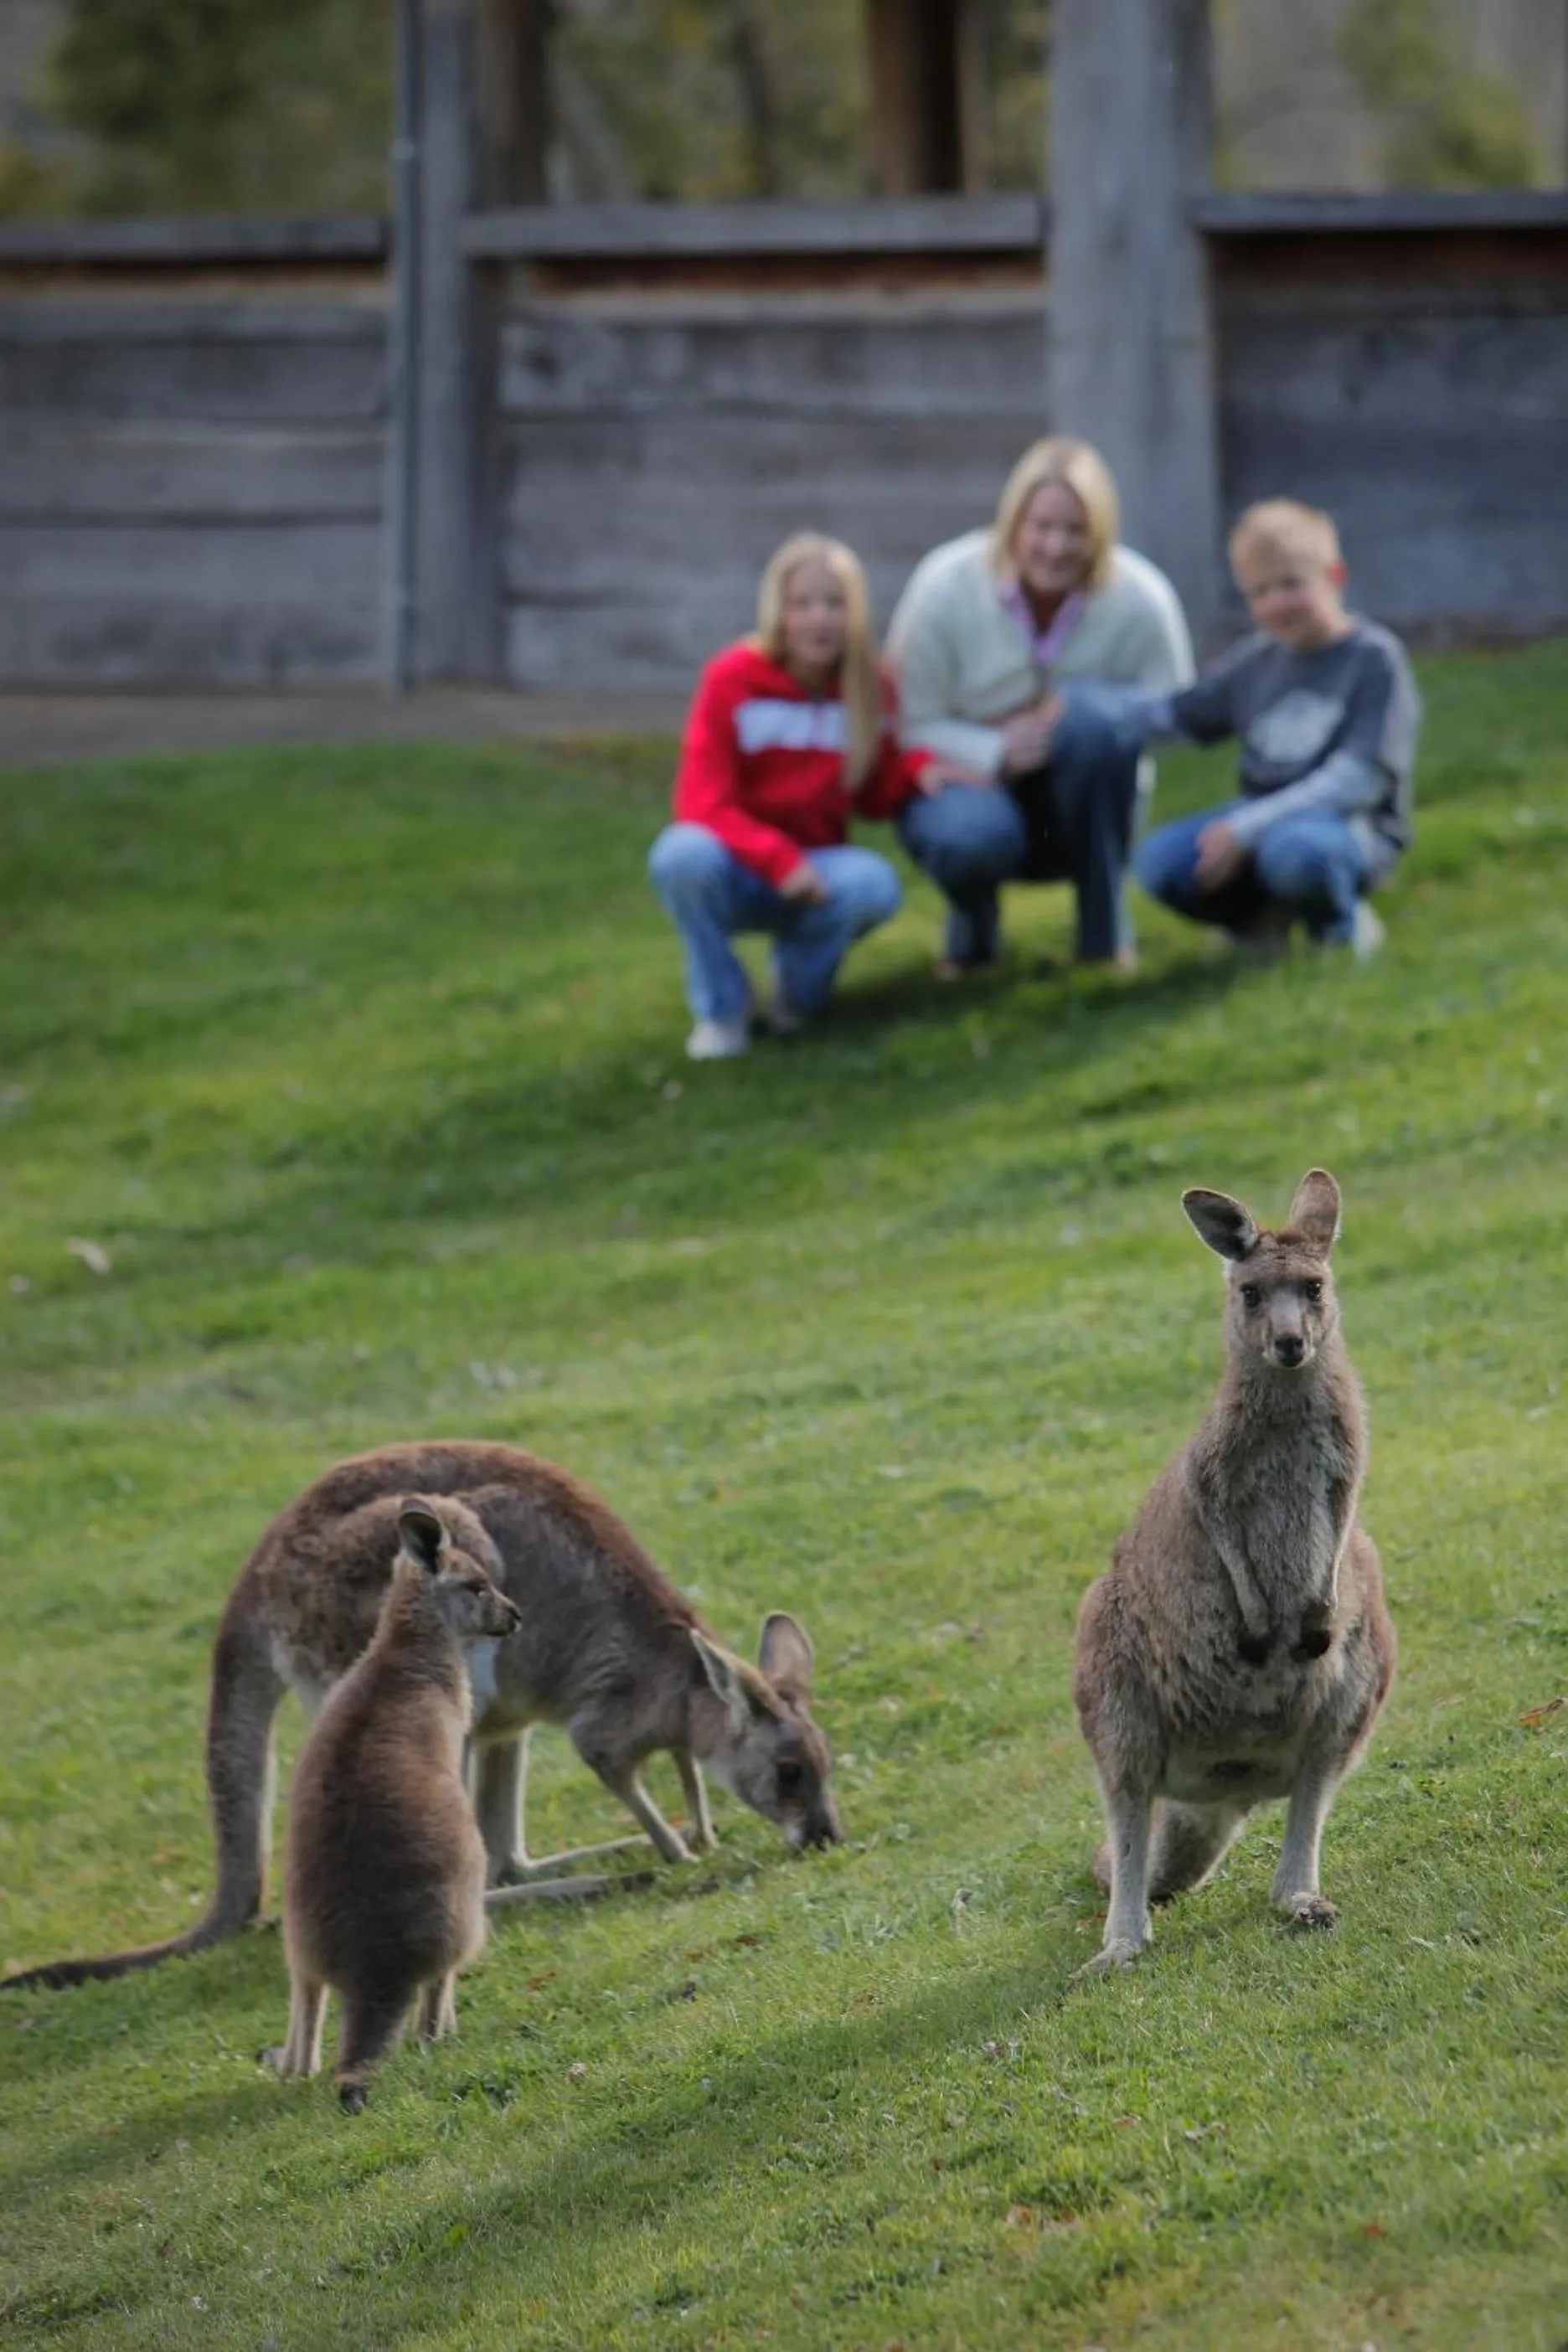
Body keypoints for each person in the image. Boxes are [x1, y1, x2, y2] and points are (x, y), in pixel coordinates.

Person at [648, 533, 974, 1060]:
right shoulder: (732, 679)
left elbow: (871, 795)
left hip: (818, 868)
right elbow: (701, 803)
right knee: (680, 854)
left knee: (874, 883)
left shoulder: (870, 687)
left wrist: (917, 771)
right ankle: (722, 1007)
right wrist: (778, 862)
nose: (819, 619)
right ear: (779, 611)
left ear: (856, 613)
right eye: (803, 604)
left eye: (834, 603)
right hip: (741, 863)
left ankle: (794, 991)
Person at [885, 436, 1194, 977]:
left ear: (1101, 534)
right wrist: (996, 748)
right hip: (969, 785)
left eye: (1075, 531)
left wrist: (1079, 710)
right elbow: (906, 719)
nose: (1056, 547)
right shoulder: (945, 587)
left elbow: (1177, 714)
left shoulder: (1141, 598)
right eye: (1042, 527)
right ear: (1013, 525)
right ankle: (972, 936)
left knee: (1095, 724)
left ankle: (1105, 937)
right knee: (970, 836)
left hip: (1085, 801)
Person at [1129, 499, 1421, 958]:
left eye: (1290, 584)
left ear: (1334, 577)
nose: (1276, 603)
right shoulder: (1256, 661)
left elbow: (1359, 778)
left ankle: (1340, 931)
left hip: (1348, 825)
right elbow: (1175, 715)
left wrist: (1246, 828)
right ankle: (1258, 922)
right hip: (1262, 818)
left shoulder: (1373, 659)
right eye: (1259, 591)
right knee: (1159, 862)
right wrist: (1079, 707)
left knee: (1298, 852)